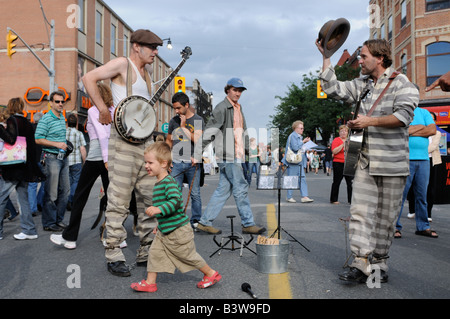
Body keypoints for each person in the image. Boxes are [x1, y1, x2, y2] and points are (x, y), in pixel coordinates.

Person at [316, 38, 417, 283]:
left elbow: (403, 116)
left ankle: (380, 263)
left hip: (392, 164)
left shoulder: (402, 84)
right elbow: (330, 88)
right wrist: (327, 56)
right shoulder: (360, 84)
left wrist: (367, 121)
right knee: (360, 213)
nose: (359, 60)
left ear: (380, 58)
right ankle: (360, 263)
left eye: (363, 57)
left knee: (386, 218)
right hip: (364, 161)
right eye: (359, 56)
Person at [82, 29, 160, 277]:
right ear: (137, 46)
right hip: (124, 142)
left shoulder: (146, 75)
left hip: (145, 143)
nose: (156, 52)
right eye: (151, 47)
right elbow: (88, 78)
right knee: (119, 200)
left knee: (149, 198)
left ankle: (146, 250)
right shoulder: (122, 64)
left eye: (157, 47)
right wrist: (103, 109)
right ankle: (113, 253)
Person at [130, 142, 221, 292]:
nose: (146, 165)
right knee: (154, 253)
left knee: (187, 256)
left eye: (150, 162)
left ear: (164, 163)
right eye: (145, 162)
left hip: (178, 231)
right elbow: (170, 209)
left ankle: (211, 274)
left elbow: (175, 201)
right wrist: (160, 224)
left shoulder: (168, 182)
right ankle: (150, 282)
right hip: (167, 230)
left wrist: (158, 209)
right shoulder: (159, 182)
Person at [193, 78, 266, 235]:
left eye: (240, 91)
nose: (238, 93)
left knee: (223, 190)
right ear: (228, 90)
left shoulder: (238, 108)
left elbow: (243, 131)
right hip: (228, 154)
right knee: (240, 188)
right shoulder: (221, 108)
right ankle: (248, 223)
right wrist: (197, 152)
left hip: (236, 154)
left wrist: (247, 150)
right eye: (235, 90)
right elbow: (210, 131)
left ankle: (204, 222)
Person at [50, 83, 114, 249]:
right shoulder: (112, 109)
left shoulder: (94, 110)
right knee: (113, 199)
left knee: (80, 196)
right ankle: (117, 238)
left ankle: (70, 238)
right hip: (110, 158)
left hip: (97, 158)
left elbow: (102, 134)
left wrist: (105, 158)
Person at [0, 97, 45, 240]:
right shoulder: (26, 121)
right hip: (25, 165)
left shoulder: (13, 120)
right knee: (23, 198)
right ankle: (29, 230)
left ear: (10, 106)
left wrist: (0, 128)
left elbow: (11, 139)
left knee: (1, 197)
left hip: (13, 167)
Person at [395, 107, 438, 238]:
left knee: (422, 196)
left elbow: (432, 130)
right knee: (399, 196)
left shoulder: (424, 112)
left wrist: (411, 130)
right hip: (405, 159)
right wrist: (421, 128)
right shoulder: (400, 111)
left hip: (424, 159)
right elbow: (400, 132)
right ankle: (394, 227)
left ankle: (423, 227)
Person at [166, 92, 204, 229]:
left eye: (178, 108)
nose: (176, 111)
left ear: (186, 105)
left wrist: (183, 127)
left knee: (195, 194)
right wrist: (167, 159)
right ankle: (176, 219)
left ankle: (196, 220)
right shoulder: (173, 121)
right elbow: (168, 141)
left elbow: (198, 140)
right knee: (174, 193)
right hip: (176, 162)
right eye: (174, 108)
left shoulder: (197, 120)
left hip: (192, 162)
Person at [35, 91, 70, 232]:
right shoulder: (46, 118)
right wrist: (57, 144)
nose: (60, 104)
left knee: (65, 191)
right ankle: (49, 223)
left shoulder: (62, 117)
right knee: (51, 192)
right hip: (50, 158)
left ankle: (59, 220)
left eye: (62, 101)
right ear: (51, 103)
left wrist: (65, 144)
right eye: (57, 101)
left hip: (63, 158)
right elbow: (38, 139)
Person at [281, 120, 314, 203]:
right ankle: (289, 196)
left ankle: (304, 196)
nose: (303, 130)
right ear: (296, 128)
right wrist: (303, 142)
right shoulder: (293, 136)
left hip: (298, 161)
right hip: (293, 161)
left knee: (302, 178)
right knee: (292, 179)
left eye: (303, 128)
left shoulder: (298, 136)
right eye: (301, 128)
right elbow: (295, 148)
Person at [65, 113, 87, 211]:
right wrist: (85, 161)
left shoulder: (63, 132)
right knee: (76, 181)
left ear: (67, 123)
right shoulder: (79, 134)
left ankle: (66, 199)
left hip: (65, 161)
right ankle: (71, 199)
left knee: (68, 182)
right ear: (76, 123)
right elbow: (82, 149)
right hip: (76, 161)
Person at [329, 125, 353, 204]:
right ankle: (334, 199)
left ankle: (351, 200)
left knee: (350, 182)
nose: (343, 132)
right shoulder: (336, 140)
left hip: (348, 162)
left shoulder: (350, 140)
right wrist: (343, 144)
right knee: (336, 181)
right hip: (338, 162)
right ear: (339, 132)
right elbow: (334, 151)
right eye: (342, 131)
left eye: (345, 131)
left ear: (347, 132)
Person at [28, 112, 45, 217]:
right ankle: (40, 202)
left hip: (32, 160)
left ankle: (32, 208)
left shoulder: (29, 129)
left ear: (34, 120)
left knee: (32, 184)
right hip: (43, 159)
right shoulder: (44, 130)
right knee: (44, 183)